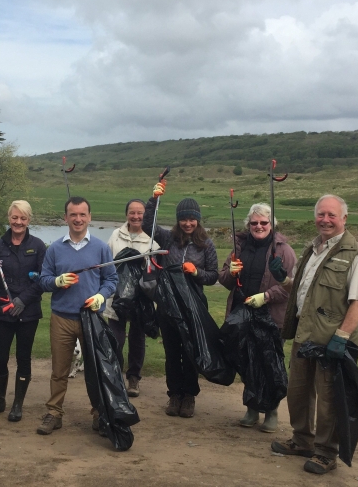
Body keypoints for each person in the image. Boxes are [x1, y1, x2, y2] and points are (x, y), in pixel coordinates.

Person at [269, 194, 358, 476]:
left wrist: (342, 337)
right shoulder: (312, 250)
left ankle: (327, 453)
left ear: (344, 219)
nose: (325, 220)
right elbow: (303, 294)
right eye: (320, 214)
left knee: (328, 399)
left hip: (332, 340)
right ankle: (303, 440)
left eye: (331, 215)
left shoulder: (356, 254)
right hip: (305, 333)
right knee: (298, 392)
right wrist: (283, 280)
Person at [36, 196, 118, 435]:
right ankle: (53, 413)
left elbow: (111, 279)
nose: (78, 219)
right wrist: (56, 281)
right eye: (73, 214)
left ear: (89, 217)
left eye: (83, 214)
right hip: (62, 317)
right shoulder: (55, 249)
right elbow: (43, 281)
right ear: (66, 218)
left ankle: (99, 413)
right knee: (59, 370)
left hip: (91, 319)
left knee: (95, 370)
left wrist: (101, 297)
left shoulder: (101, 248)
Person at [142, 183, 218, 419]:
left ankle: (189, 396)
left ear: (198, 220)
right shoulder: (167, 239)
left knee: (191, 351)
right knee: (172, 350)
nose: (187, 223)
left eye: (192, 219)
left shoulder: (206, 244)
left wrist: (196, 272)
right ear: (178, 220)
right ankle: (174, 395)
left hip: (194, 307)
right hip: (168, 306)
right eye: (183, 219)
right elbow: (148, 225)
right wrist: (154, 199)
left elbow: (213, 275)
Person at [218, 203, 296, 433]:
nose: (259, 226)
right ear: (248, 225)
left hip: (270, 317)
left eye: (264, 222)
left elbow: (293, 288)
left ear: (272, 224)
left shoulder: (284, 251)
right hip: (242, 314)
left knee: (270, 364)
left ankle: (271, 411)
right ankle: (252, 407)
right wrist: (230, 273)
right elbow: (224, 280)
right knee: (248, 361)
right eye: (254, 223)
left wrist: (266, 296)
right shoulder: (238, 247)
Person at [0, 200, 46, 422]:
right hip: (3, 311)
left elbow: (43, 280)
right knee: (0, 357)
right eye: (15, 217)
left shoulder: (37, 246)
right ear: (9, 218)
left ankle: (18, 403)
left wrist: (23, 300)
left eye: (23, 218)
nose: (18, 222)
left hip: (28, 312)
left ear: (29, 220)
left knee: (23, 358)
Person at [103, 198, 158, 398]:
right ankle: (115, 376)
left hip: (141, 299)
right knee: (115, 339)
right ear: (126, 214)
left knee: (137, 339)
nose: (136, 217)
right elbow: (107, 263)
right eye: (132, 213)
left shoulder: (152, 240)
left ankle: (133, 378)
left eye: (140, 213)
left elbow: (154, 272)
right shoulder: (116, 236)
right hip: (117, 297)